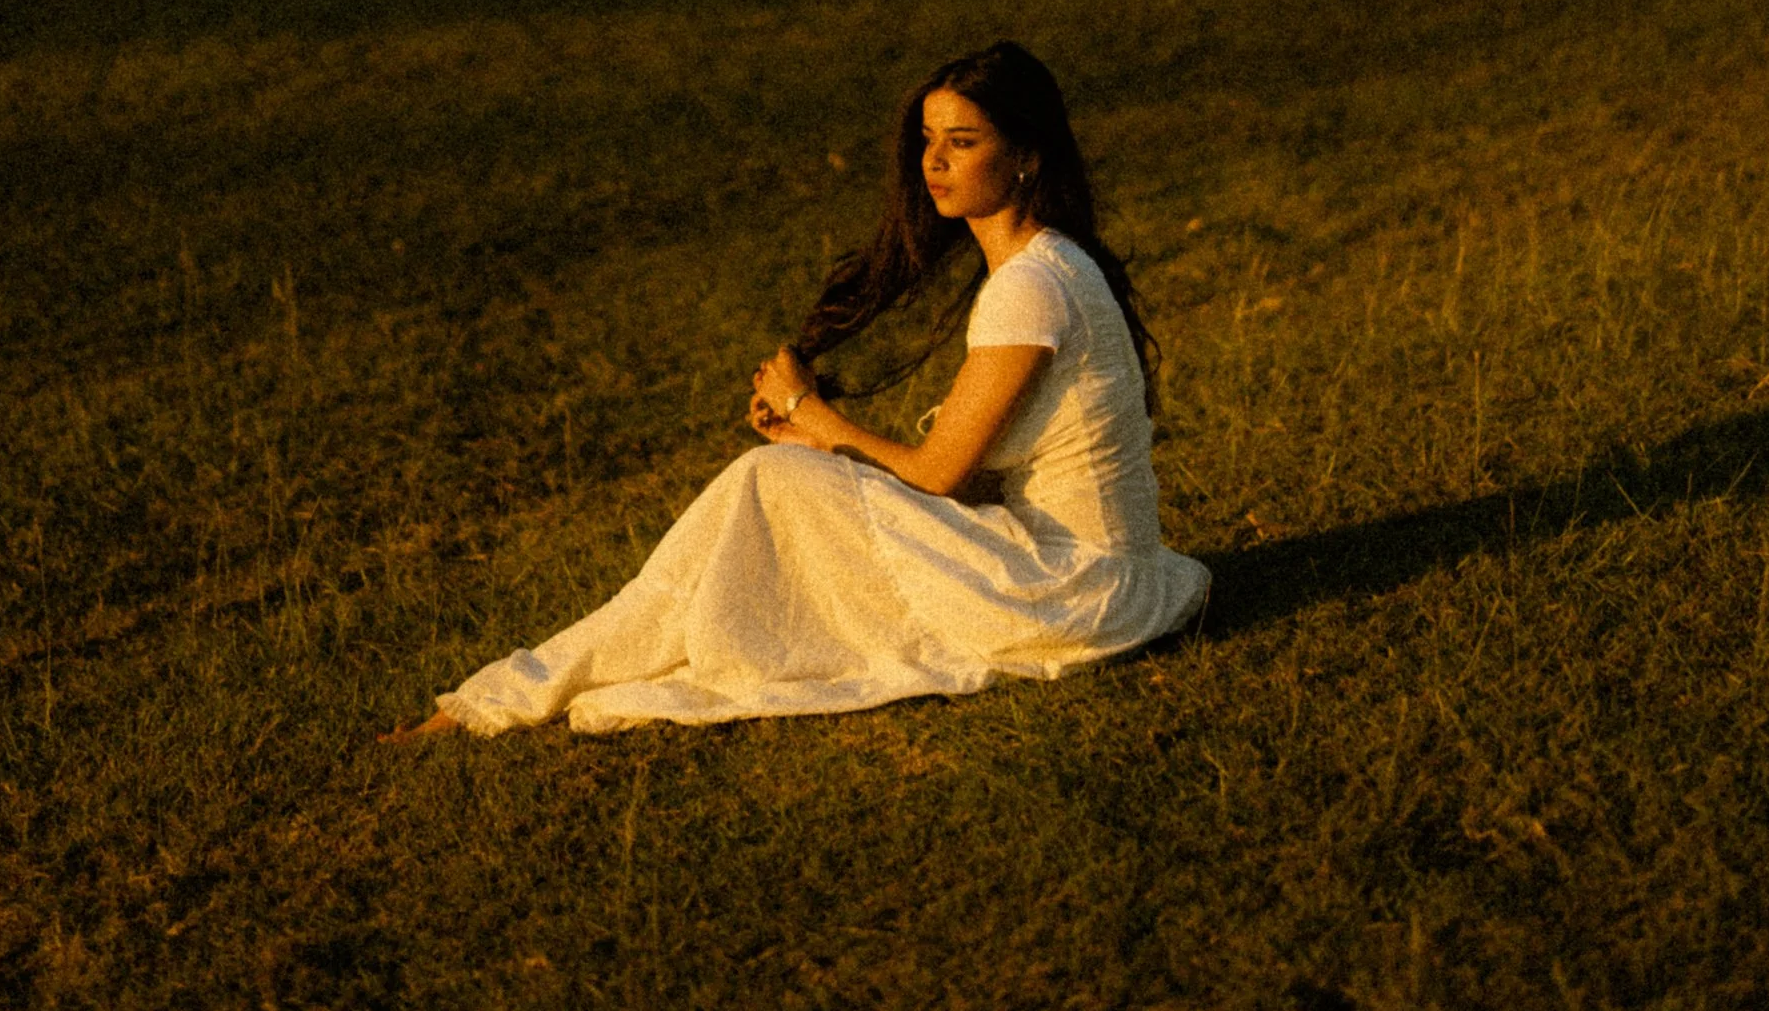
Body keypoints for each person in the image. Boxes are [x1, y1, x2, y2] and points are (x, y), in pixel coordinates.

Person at [411, 41, 1208, 737]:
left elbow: (940, 476)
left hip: (1077, 591)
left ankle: (519, 689)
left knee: (763, 482)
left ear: (1026, 154)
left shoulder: (1032, 287)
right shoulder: (1050, 264)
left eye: (961, 143)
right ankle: (533, 681)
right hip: (1099, 574)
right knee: (778, 480)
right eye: (927, 140)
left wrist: (810, 410)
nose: (933, 162)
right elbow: (960, 473)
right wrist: (818, 439)